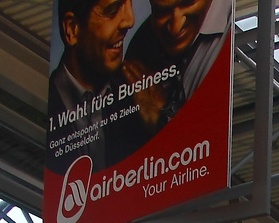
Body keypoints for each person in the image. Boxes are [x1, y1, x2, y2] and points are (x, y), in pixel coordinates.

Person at [47, 0, 136, 173]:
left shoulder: (133, 97)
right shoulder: (47, 110)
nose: (129, 21)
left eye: (129, 5)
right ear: (72, 28)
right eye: (112, 10)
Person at [120, 0, 230, 139]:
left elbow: (210, 141)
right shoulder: (143, 43)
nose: (175, 28)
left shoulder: (231, 31)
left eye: (188, 3)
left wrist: (163, 116)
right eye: (162, 11)